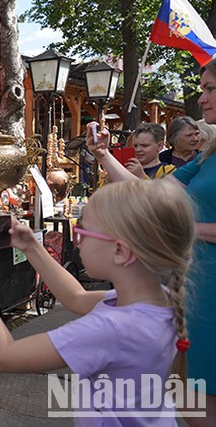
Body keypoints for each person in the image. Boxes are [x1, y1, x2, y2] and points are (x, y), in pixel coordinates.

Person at [0, 180, 195, 424]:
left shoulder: (110, 329)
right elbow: (76, 298)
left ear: (120, 252)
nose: (77, 241)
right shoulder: (159, 300)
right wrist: (32, 247)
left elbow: (3, 356)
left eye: (83, 232)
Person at [85, 57, 216, 425]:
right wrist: (103, 155)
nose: (201, 99)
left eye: (210, 89)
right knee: (192, 402)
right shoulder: (208, 155)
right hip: (199, 293)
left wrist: (186, 229)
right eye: (202, 89)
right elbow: (151, 194)